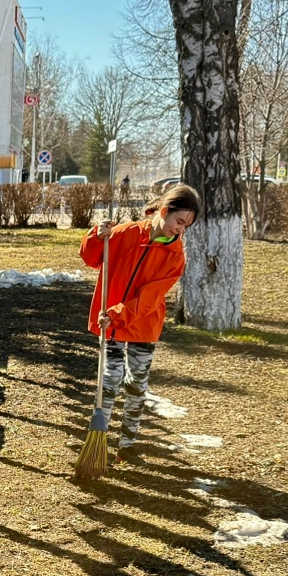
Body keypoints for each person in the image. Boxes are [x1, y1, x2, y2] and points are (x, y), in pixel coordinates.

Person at [78, 183, 202, 464]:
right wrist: (98, 236)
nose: (180, 229)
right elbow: (91, 257)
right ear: (163, 211)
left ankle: (128, 442)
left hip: (143, 324)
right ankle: (98, 442)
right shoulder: (126, 233)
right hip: (111, 321)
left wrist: (118, 313)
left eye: (186, 225)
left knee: (137, 384)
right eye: (179, 221)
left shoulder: (175, 257)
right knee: (109, 381)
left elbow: (149, 298)